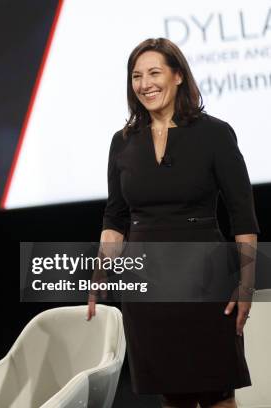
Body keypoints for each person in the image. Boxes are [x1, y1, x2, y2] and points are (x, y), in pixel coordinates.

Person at [87, 38, 259, 408]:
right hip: (148, 287)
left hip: (205, 281)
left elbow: (242, 214)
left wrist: (246, 285)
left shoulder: (215, 134)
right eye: (136, 76)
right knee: (173, 396)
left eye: (154, 72)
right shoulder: (122, 142)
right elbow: (115, 216)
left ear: (178, 76)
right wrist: (99, 276)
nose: (144, 83)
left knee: (216, 394)